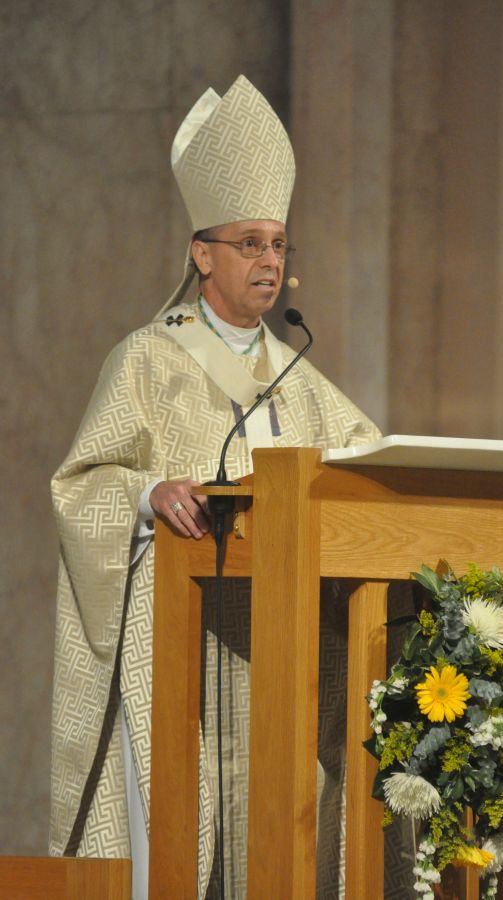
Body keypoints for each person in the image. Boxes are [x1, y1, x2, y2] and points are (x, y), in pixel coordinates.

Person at [49, 75, 381, 898]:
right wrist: (148, 494)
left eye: (278, 245)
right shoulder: (147, 359)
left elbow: (369, 466)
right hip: (182, 645)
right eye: (251, 243)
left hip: (287, 657)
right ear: (203, 254)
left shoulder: (301, 378)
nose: (270, 261)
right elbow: (80, 480)